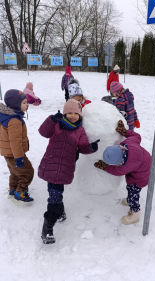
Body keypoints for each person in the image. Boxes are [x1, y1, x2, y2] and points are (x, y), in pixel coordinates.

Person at [38, 99, 100, 244]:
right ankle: (48, 229)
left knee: (55, 193)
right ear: (64, 114)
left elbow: (83, 147)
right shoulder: (57, 126)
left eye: (75, 113)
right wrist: (52, 119)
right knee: (54, 194)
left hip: (64, 168)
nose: (72, 116)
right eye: (69, 113)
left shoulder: (80, 131)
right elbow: (43, 132)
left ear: (80, 115)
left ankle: (57, 216)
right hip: (50, 164)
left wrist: (91, 148)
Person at [94, 120, 151, 225]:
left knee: (133, 191)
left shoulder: (126, 165)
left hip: (140, 177)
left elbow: (117, 171)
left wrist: (105, 167)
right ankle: (129, 199)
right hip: (146, 163)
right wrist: (125, 132)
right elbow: (137, 136)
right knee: (130, 190)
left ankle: (135, 213)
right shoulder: (128, 143)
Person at [0, 89, 34, 203]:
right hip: (15, 154)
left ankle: (13, 190)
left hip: (8, 152)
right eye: (24, 103)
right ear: (15, 105)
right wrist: (19, 157)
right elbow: (15, 142)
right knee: (28, 172)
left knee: (15, 172)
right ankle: (21, 193)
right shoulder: (14, 120)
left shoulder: (7, 115)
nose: (27, 105)